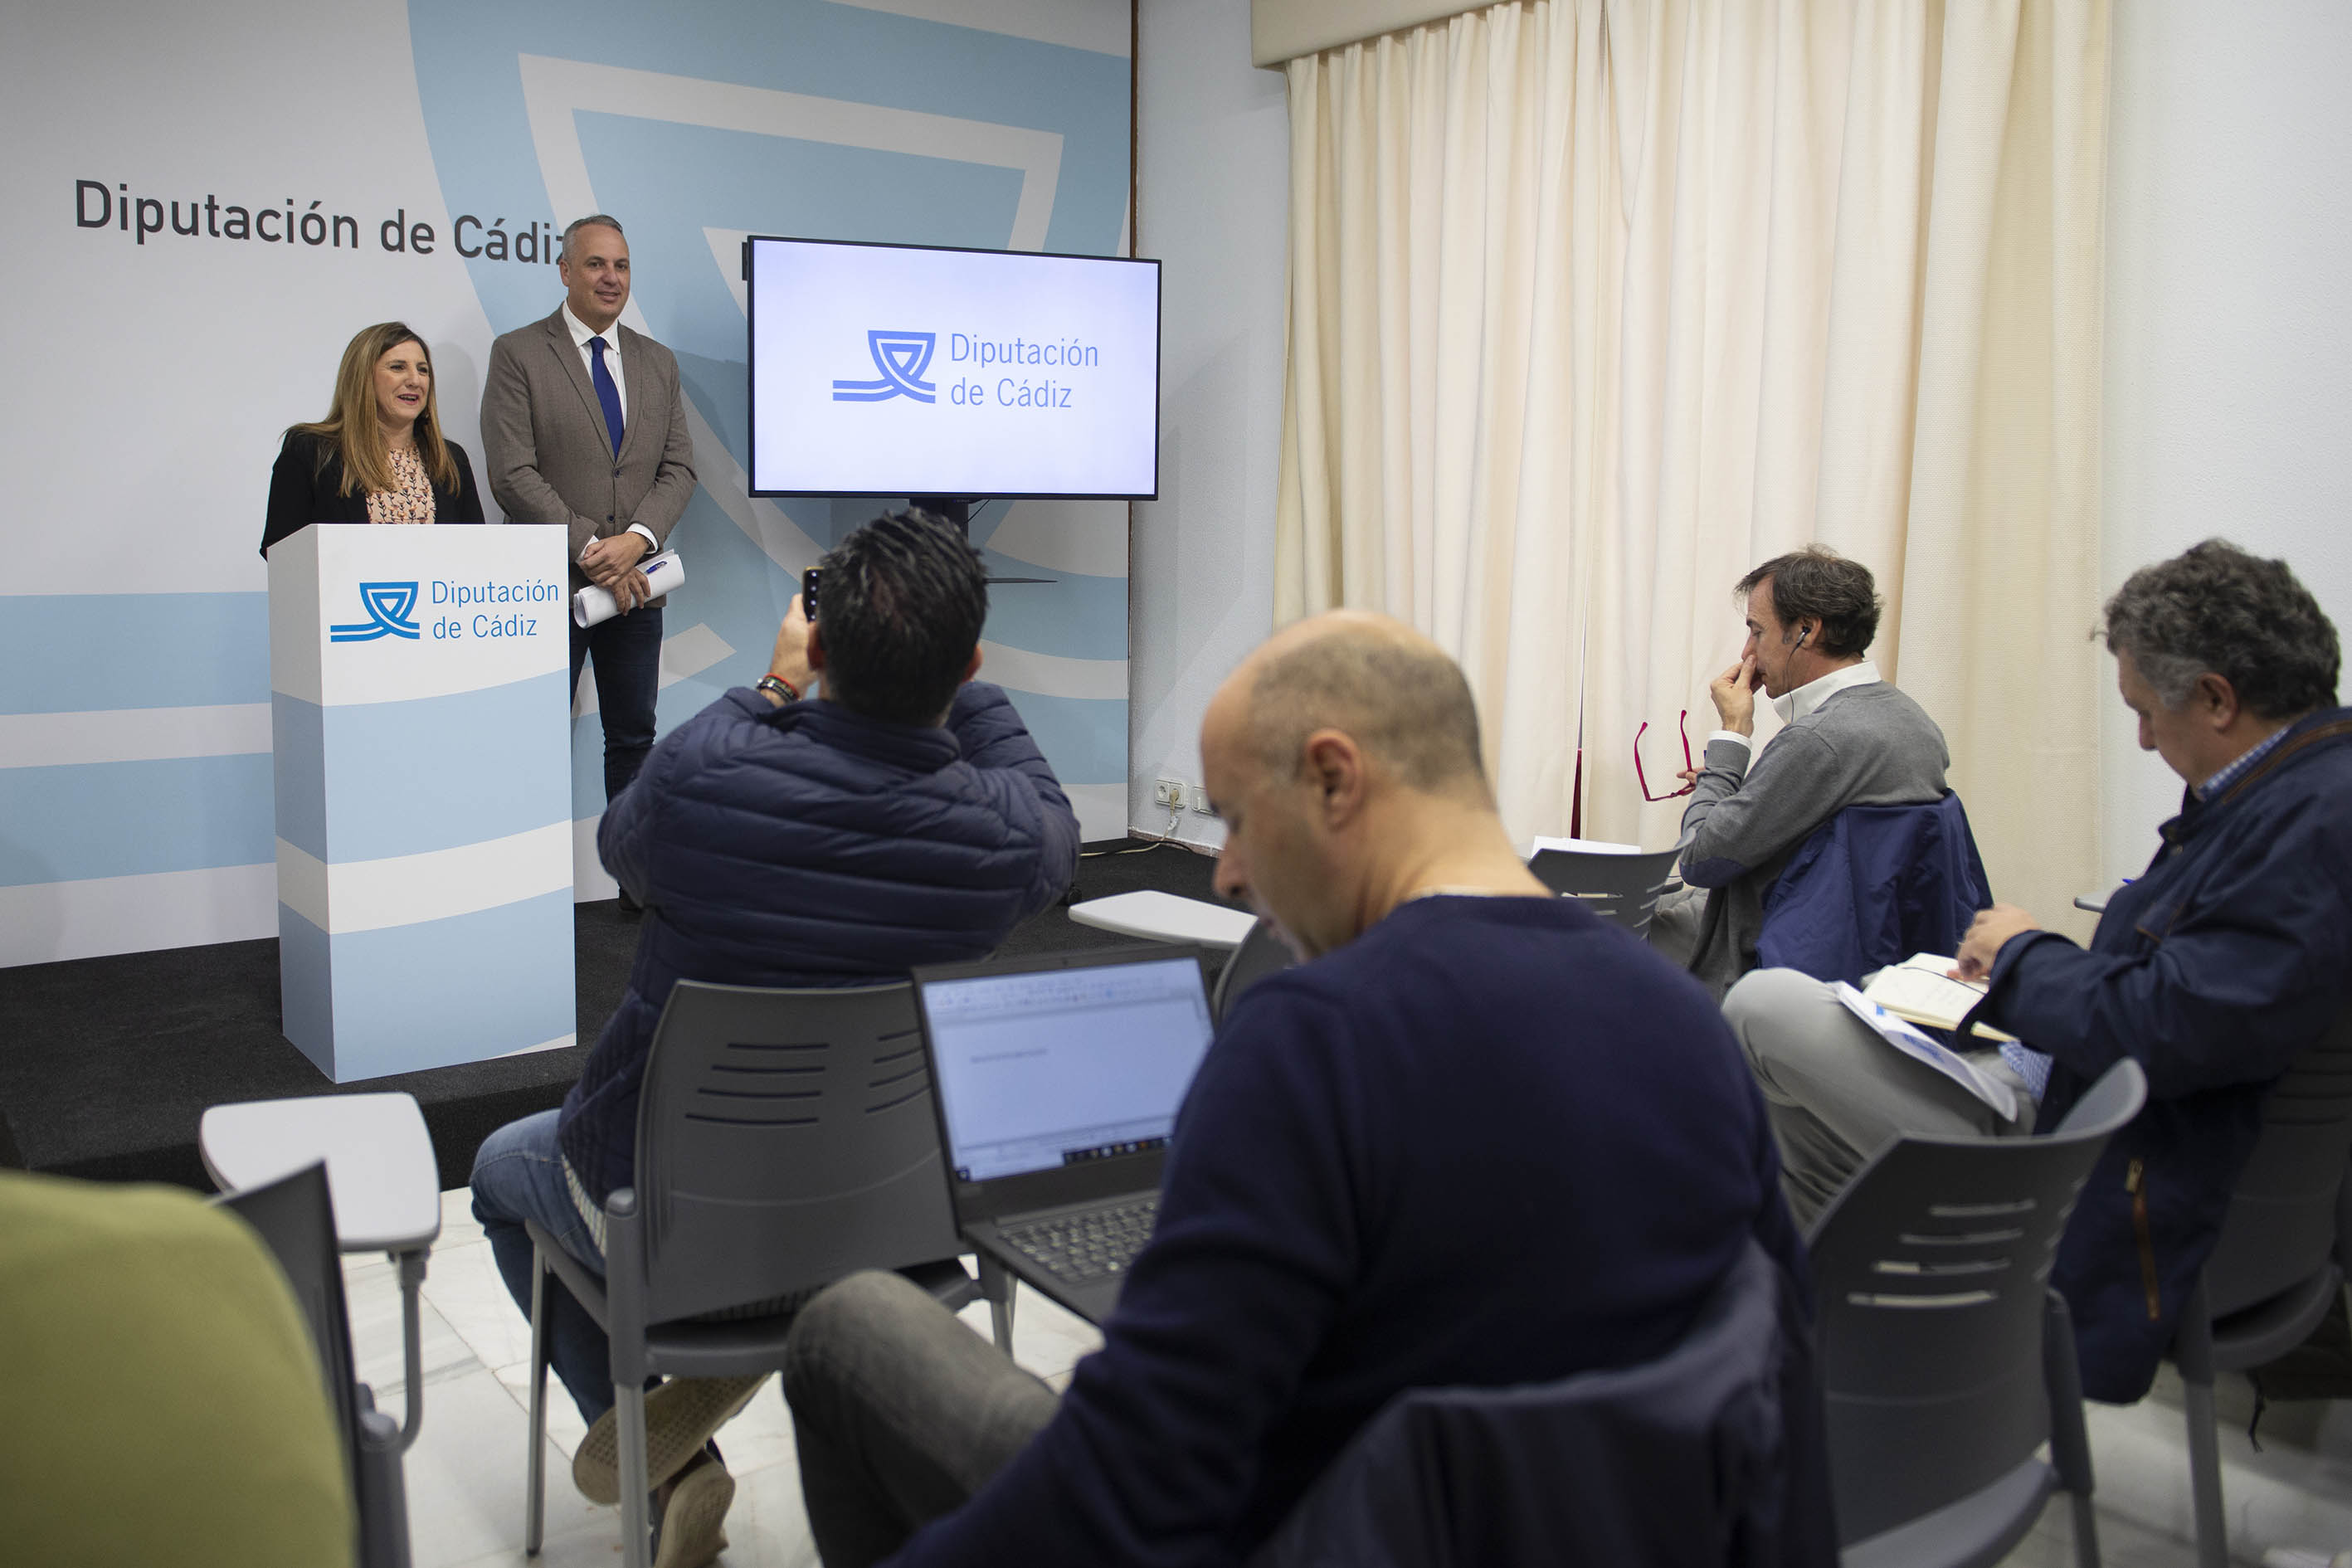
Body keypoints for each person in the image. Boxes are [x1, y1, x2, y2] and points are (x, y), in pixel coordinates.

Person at [777, 611, 1809, 1568]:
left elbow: (1131, 1492)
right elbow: (1789, 1391)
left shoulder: (1314, 1042)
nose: (1225, 872)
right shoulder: (1692, 1025)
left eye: (1232, 818)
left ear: (1331, 779)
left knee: (849, 1326)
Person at [470, 509, 1077, 1567]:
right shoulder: (1005, 835)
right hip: (897, 1226)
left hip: (668, 1226)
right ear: (970, 660)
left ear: (817, 637)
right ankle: (768, 1328)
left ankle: (675, 1472)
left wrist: (776, 686)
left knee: (493, 1168)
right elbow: (1057, 830)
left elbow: (627, 848)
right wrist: (949, 671)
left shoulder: (711, 780)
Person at [1725, 540, 2352, 1401]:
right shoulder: (2298, 795)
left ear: (2215, 699)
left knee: (1763, 1007)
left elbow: (2175, 1024)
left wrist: (2023, 957)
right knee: (1810, 1100)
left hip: (2074, 1153)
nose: (2138, 740)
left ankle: (1835, 1366)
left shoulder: (2308, 827)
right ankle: (1845, 1354)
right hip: (2080, 1099)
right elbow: (2198, 990)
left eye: (2144, 712)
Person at [1647, 546, 1951, 996]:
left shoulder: (1822, 738)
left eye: (1756, 631)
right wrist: (1751, 791)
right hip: (1856, 952)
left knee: (1583, 932)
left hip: (1762, 959)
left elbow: (1699, 859)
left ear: (1806, 630)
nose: (1747, 651)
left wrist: (1732, 735)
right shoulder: (1911, 720)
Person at [480, 213, 697, 821]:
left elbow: (678, 468)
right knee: (533, 735)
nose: (611, 277)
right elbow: (511, 473)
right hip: (549, 584)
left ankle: (634, 881)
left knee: (632, 740)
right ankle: (528, 886)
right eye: (597, 264)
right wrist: (593, 550)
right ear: (565, 271)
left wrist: (637, 540)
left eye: (621, 265)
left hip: (636, 587)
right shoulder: (518, 353)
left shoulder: (658, 363)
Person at [259, 320, 485, 554]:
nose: (415, 380)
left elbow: (477, 551)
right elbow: (280, 552)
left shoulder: (450, 459)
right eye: (397, 367)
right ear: (363, 377)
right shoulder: (310, 450)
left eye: (423, 370)